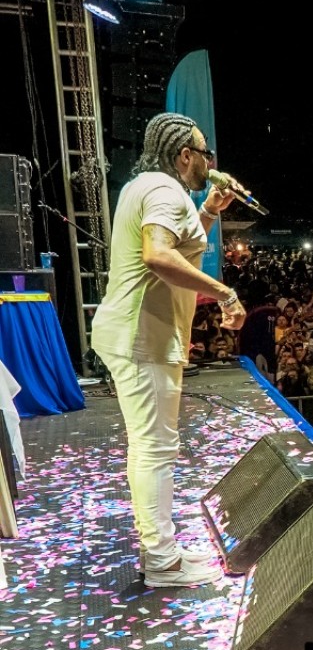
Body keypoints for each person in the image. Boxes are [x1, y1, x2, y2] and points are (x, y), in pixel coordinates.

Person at [91, 112, 246, 587]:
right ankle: (162, 562)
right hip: (145, 336)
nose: (209, 161)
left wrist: (211, 210)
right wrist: (225, 293)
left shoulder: (146, 186)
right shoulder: (164, 191)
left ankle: (162, 552)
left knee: (151, 445)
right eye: (204, 153)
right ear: (184, 156)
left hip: (136, 332)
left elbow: (173, 243)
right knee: (155, 448)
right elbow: (158, 256)